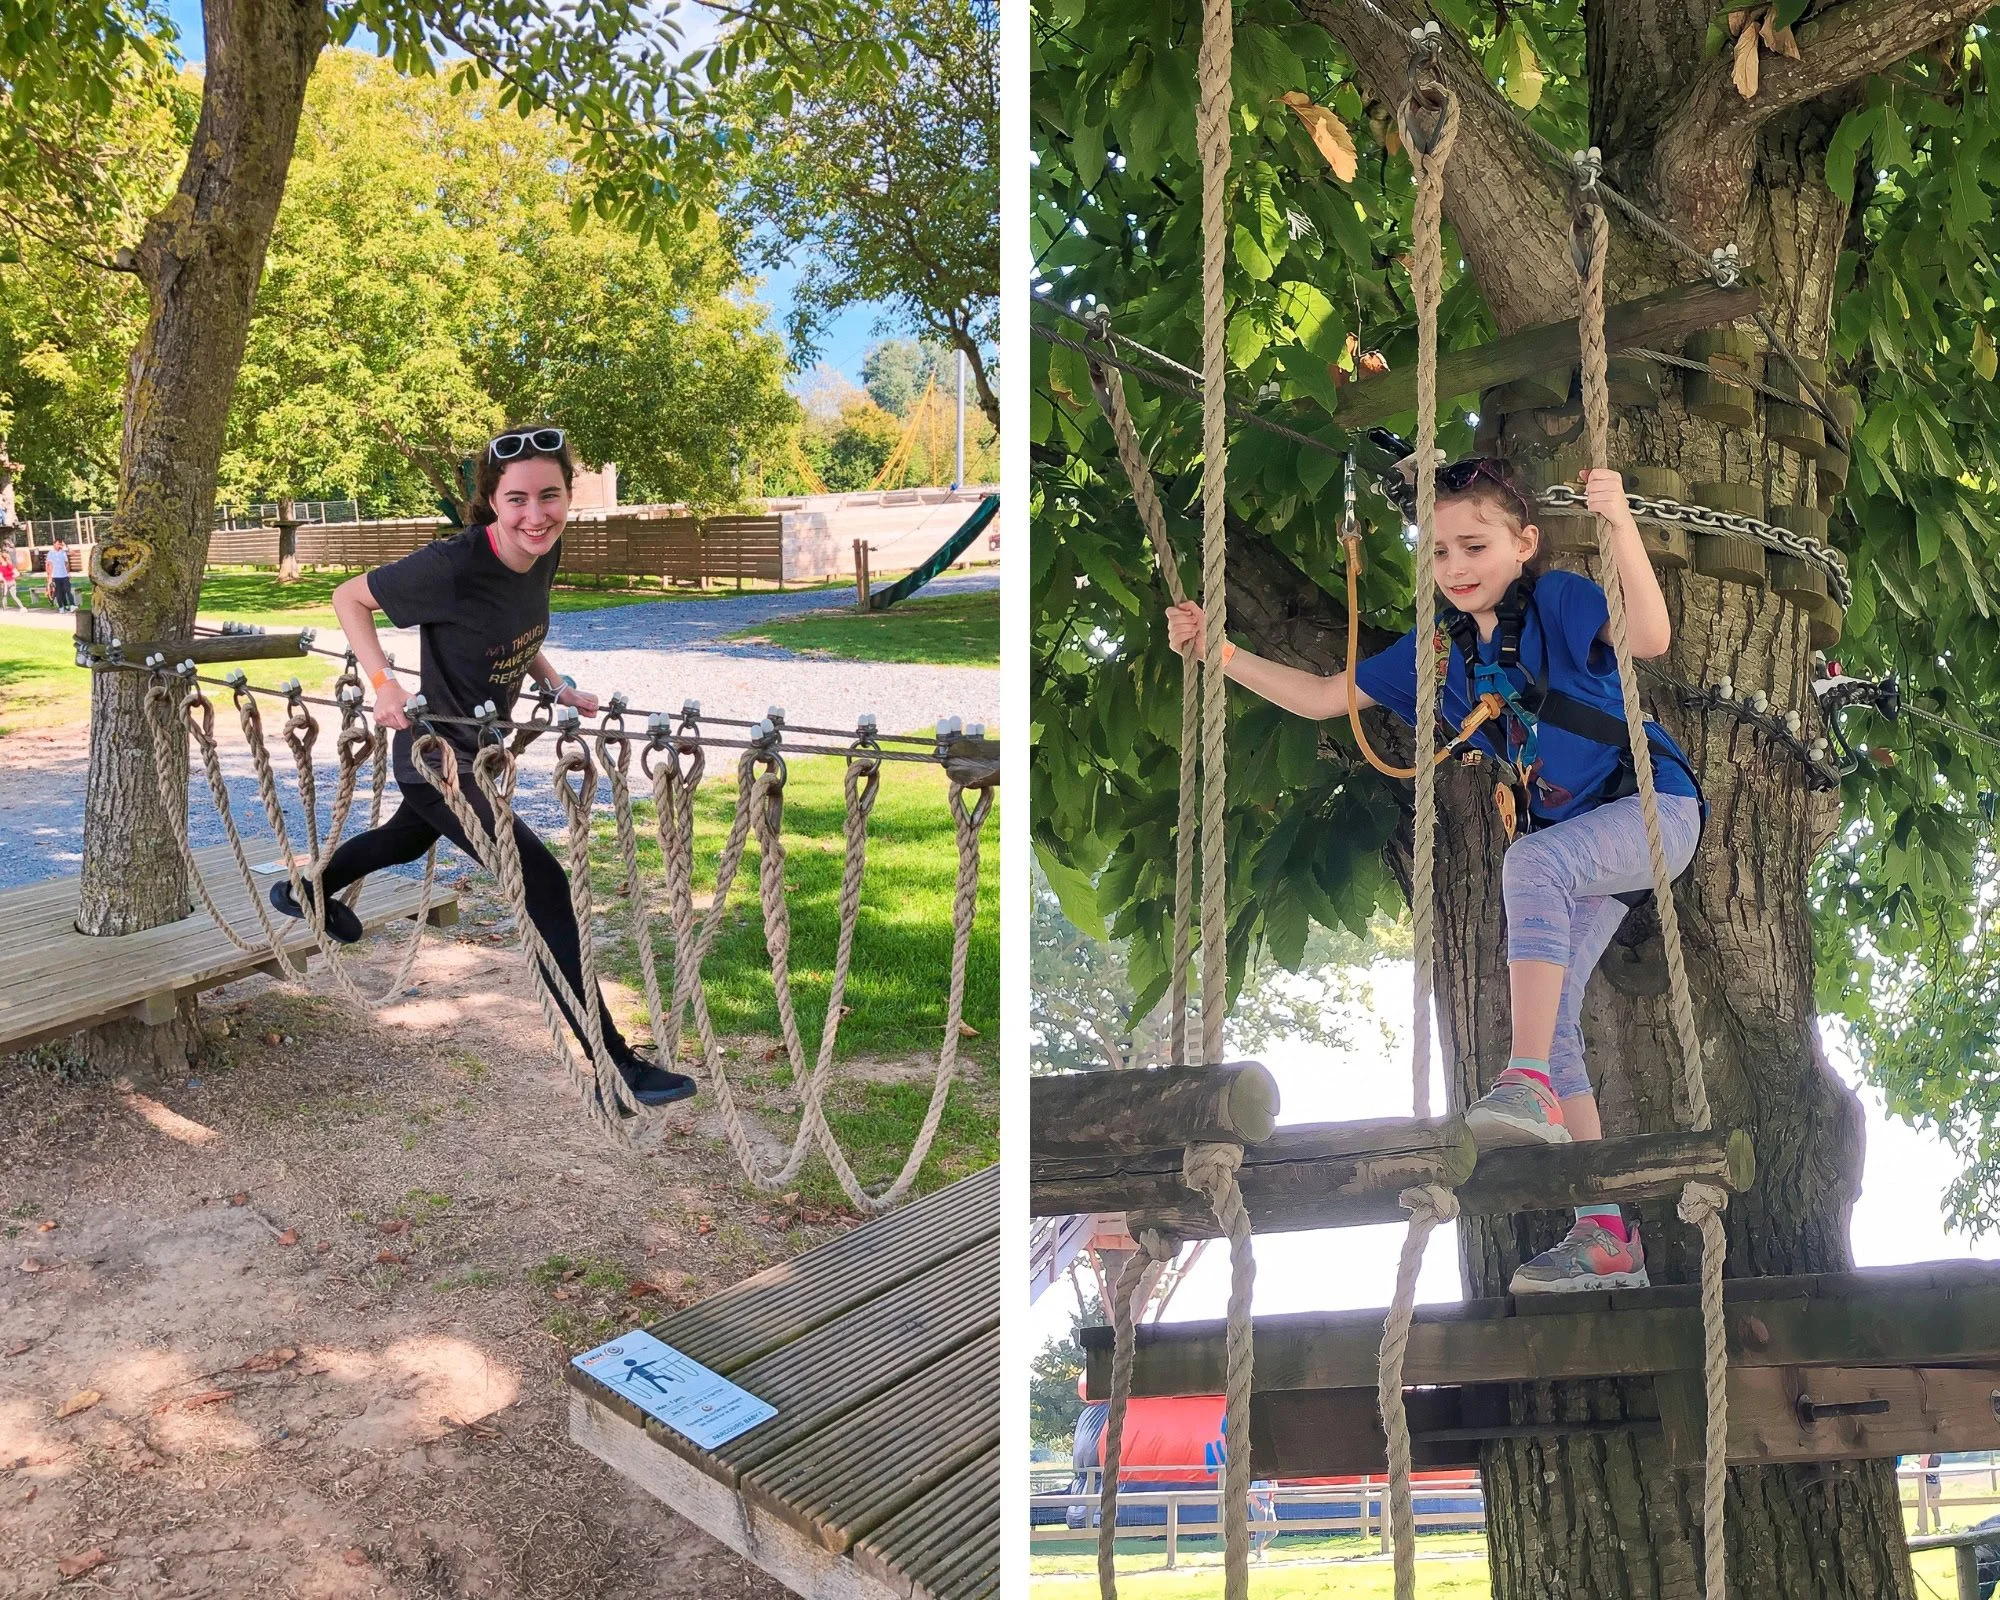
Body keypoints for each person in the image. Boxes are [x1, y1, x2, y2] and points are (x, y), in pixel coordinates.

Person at [1167, 459, 1702, 1294]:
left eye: (1475, 545)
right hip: (1577, 847)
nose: (1455, 566)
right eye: (1440, 551)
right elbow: (1319, 696)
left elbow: (1649, 637)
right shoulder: (1437, 653)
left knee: (1530, 862)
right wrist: (1219, 651)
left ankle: (1524, 1086)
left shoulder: (1559, 603)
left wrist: (1620, 524)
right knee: (1553, 1011)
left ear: (1523, 544)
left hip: (1657, 812)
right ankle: (1604, 1236)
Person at [268, 424, 695, 1109]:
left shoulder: (542, 551)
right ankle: (615, 1069)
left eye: (549, 496)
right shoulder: (455, 564)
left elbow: (522, 635)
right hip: (436, 751)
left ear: (567, 495)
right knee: (545, 885)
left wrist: (558, 686)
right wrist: (382, 684)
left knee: (407, 837)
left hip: (477, 750)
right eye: (518, 499)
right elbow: (350, 597)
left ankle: (307, 895)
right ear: (492, 500)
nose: (536, 515)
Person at [44, 535, 75, 612]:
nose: (59, 545)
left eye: (60, 544)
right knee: (58, 592)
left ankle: (72, 605)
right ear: (54, 544)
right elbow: (47, 564)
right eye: (58, 544)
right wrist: (48, 576)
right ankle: (61, 607)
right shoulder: (50, 553)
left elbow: (71, 555)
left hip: (64, 575)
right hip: (55, 575)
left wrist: (66, 546)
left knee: (68, 590)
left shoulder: (63, 552)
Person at [0, 540, 21, 611]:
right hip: (11, 581)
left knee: (4, 596)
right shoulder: (9, 565)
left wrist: (4, 579)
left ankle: (4, 609)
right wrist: (12, 577)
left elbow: (1, 576)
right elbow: (17, 573)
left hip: (6, 582)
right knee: (13, 596)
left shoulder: (3, 566)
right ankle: (22, 607)